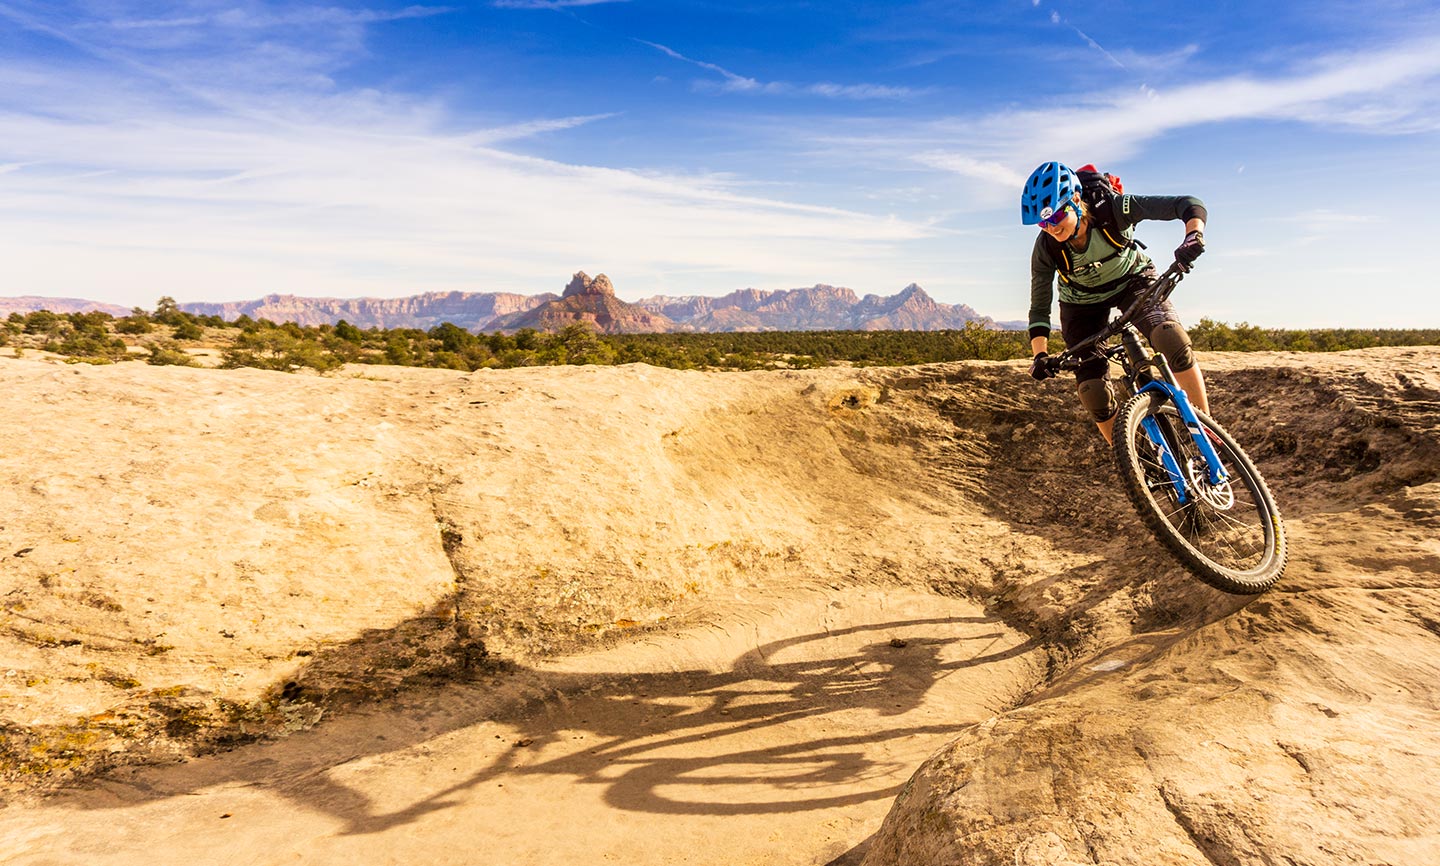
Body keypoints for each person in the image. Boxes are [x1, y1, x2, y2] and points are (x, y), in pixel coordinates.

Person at [1020, 161, 1209, 444]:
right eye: (1043, 223)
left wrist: (1193, 235)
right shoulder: (1046, 247)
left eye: (1056, 216)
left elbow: (1187, 204)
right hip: (1081, 303)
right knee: (1092, 392)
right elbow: (1039, 305)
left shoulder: (1113, 209)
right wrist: (1040, 356)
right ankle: (1141, 469)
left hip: (1133, 281)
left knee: (1171, 338)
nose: (1051, 227)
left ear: (1074, 199)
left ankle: (1206, 434)